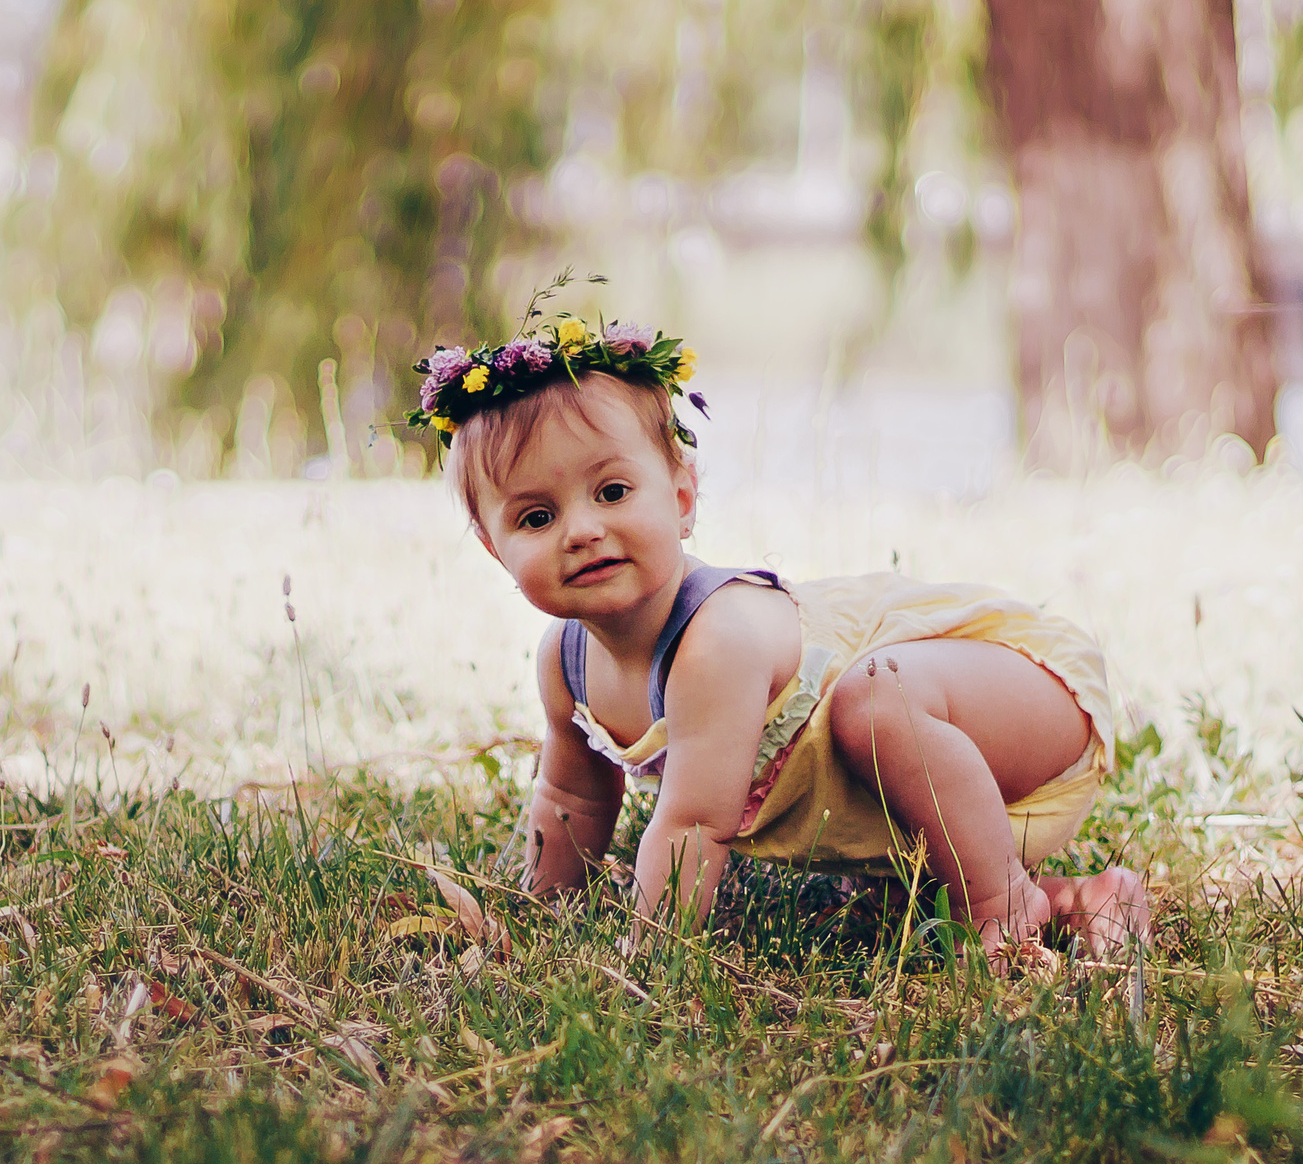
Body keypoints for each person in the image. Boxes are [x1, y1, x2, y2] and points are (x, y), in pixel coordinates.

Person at [413, 295, 1146, 972]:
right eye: (536, 518)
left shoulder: (714, 641)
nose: (583, 530)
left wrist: (644, 964)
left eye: (612, 492)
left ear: (681, 497)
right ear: (492, 547)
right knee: (885, 906)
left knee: (873, 700)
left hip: (1017, 711)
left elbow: (694, 828)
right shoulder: (565, 662)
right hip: (913, 797)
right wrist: (546, 915)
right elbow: (573, 800)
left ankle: (1002, 910)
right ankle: (1085, 897)